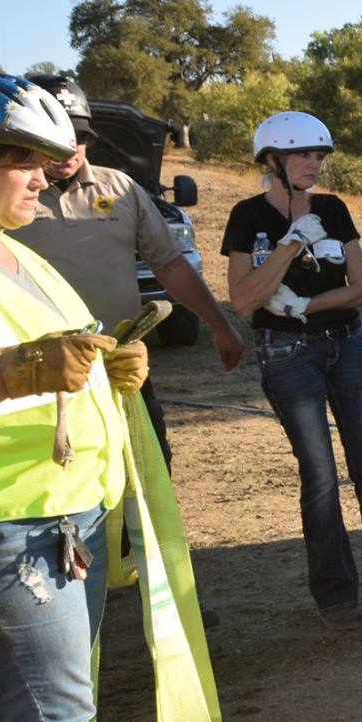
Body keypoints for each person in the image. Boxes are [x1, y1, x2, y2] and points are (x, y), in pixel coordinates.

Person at [0, 75, 185, 722]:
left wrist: (107, 366)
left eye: (41, 161)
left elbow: (60, 356)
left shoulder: (19, 253)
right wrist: (23, 372)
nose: (42, 177)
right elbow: (22, 372)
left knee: (25, 718)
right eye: (23, 161)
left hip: (58, 516)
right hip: (18, 526)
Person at [222, 111, 362, 633]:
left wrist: (299, 305)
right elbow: (244, 299)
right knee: (318, 477)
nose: (314, 164)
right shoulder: (247, 217)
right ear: (272, 161)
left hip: (348, 346)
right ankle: (336, 598)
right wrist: (291, 244)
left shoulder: (334, 211)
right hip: (288, 356)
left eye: (319, 155)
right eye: (301, 155)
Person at [16, 74, 244, 470]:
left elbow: (169, 263)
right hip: (43, 375)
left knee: (150, 468)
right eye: (56, 136)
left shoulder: (120, 187)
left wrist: (220, 325)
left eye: (80, 135)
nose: (71, 146)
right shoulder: (13, 198)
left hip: (122, 366)